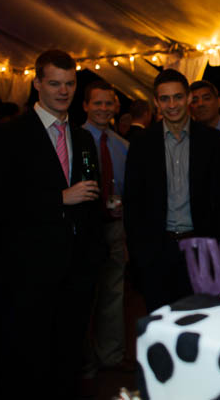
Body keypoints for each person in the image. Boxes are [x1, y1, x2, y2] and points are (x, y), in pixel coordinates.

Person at [0, 50, 106, 400]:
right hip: (28, 277)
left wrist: (93, 261)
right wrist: (58, 199)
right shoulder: (9, 136)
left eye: (69, 83)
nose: (63, 91)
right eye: (54, 83)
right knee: (29, 369)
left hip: (76, 277)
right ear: (37, 84)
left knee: (68, 367)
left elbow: (90, 203)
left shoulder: (82, 138)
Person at [123, 69, 220, 312]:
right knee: (161, 327)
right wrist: (141, 255)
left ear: (188, 98)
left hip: (201, 251)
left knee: (203, 324)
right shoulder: (142, 144)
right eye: (165, 98)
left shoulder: (211, 141)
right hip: (157, 253)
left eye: (178, 97)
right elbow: (133, 204)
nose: (172, 105)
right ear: (156, 102)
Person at [80, 81, 132, 388]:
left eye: (107, 104)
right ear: (85, 106)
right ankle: (85, 362)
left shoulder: (123, 146)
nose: (102, 109)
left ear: (115, 107)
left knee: (114, 294)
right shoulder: (74, 139)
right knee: (85, 297)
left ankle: (111, 358)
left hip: (114, 228)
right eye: (96, 103)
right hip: (85, 231)